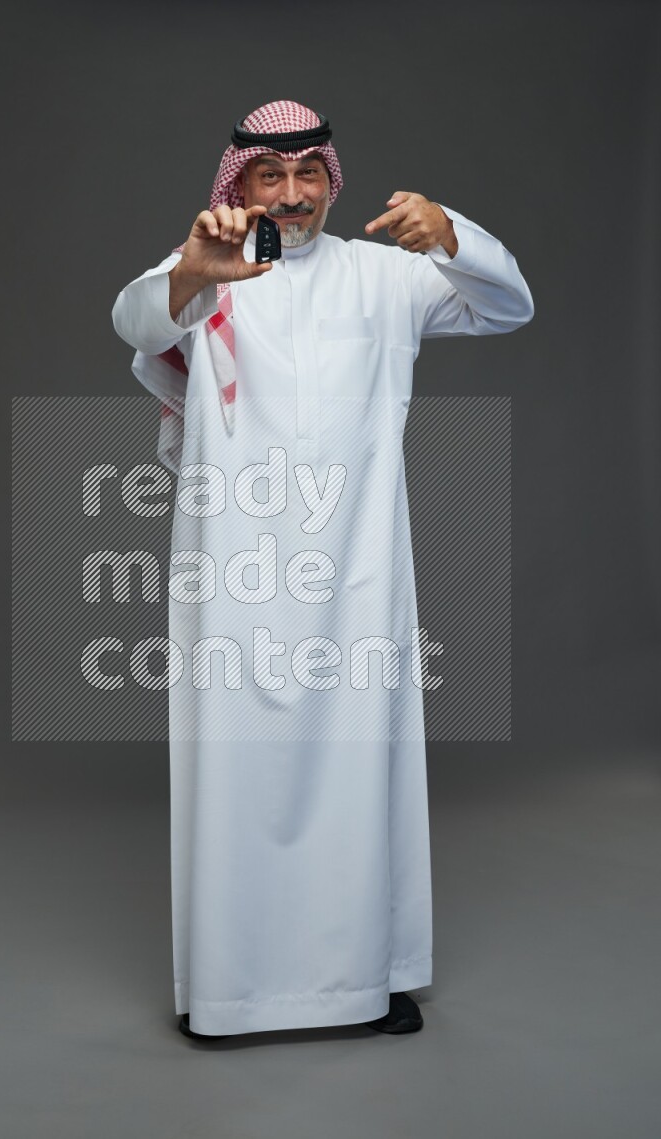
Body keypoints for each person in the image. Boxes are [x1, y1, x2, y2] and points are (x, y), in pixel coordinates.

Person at [111, 100, 533, 1040]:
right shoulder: (210, 266)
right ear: (243, 183)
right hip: (236, 573)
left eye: (309, 176)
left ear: (331, 180)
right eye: (272, 176)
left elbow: (510, 303)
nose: (292, 195)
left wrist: (456, 234)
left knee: (359, 768)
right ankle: (230, 990)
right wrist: (192, 272)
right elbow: (134, 322)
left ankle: (360, 981)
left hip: (358, 570)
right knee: (239, 770)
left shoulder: (388, 276)